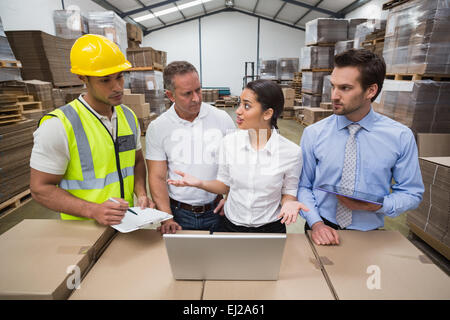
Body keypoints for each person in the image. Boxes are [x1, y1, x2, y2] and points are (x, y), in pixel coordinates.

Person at [298, 49, 424, 245]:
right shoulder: (314, 133)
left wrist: (378, 205)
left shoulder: (399, 137)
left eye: (345, 88)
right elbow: (303, 186)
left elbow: (411, 193)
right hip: (321, 228)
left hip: (369, 235)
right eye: (333, 86)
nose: (334, 96)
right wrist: (316, 224)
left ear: (371, 91)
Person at [30, 34, 154, 225]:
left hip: (125, 223)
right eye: (105, 80)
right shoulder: (59, 125)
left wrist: (141, 193)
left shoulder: (128, 116)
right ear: (83, 78)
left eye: (120, 77)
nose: (117, 87)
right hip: (82, 228)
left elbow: (137, 161)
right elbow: (40, 188)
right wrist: (93, 210)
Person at [168, 79, 309, 233]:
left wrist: (289, 203)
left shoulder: (291, 153)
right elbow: (224, 185)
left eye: (246, 106)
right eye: (240, 103)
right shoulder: (229, 142)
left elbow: (289, 191)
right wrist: (199, 182)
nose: (238, 110)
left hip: (270, 229)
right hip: (231, 226)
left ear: (267, 113)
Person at [146, 61, 235, 234]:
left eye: (198, 90)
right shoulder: (159, 127)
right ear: (170, 95)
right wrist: (167, 217)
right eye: (187, 93)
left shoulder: (222, 119)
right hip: (179, 214)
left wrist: (231, 198)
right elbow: (157, 177)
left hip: (218, 210)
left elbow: (236, 166)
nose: (196, 98)